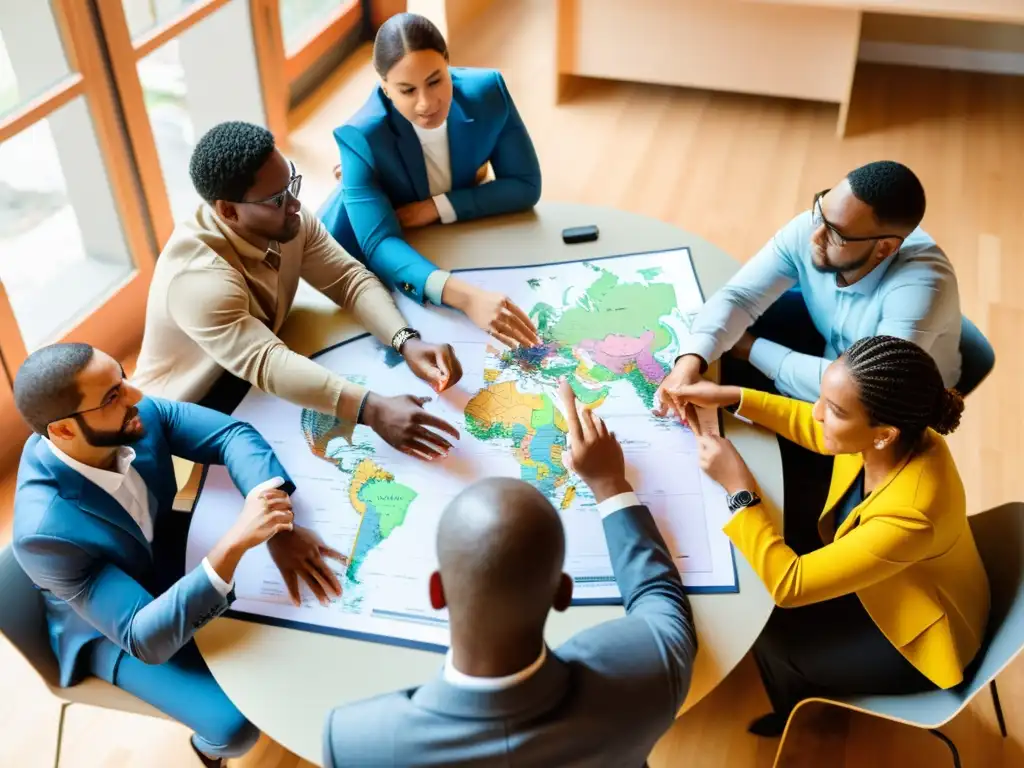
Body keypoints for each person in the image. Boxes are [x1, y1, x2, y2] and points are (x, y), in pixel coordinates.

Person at [322, 380, 698, 767]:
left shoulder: (355, 743)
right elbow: (659, 599)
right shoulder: (650, 669)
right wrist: (609, 484)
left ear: (437, 591)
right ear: (562, 593)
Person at [11, 343, 343, 767]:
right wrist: (236, 542)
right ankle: (207, 754)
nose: (136, 395)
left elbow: (231, 434)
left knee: (301, 628)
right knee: (233, 727)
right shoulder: (44, 533)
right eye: (112, 395)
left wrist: (273, 517)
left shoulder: (132, 414)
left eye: (122, 377)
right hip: (109, 631)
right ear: (63, 431)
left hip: (167, 556)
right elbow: (142, 638)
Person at [670, 336, 990, 737]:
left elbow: (789, 586)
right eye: (824, 398)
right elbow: (814, 424)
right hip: (889, 575)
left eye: (835, 410)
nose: (818, 412)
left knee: (768, 623)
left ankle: (795, 706)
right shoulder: (899, 433)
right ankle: (790, 688)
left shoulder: (912, 512)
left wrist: (739, 489)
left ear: (883, 434)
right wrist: (733, 396)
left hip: (910, 637)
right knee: (769, 554)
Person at [132, 120, 462, 461]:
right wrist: (372, 408)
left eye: (291, 184)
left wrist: (405, 339)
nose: (294, 205)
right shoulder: (198, 281)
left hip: (257, 376)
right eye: (276, 199)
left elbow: (348, 279)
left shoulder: (288, 218)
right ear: (228, 211)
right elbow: (268, 362)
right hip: (187, 413)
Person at [657, 160, 962, 527]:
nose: (814, 234)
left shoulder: (920, 290)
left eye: (835, 233)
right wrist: (688, 362)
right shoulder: (818, 224)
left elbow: (862, 392)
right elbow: (738, 297)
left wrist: (750, 348)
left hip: (877, 408)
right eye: (820, 208)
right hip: (831, 359)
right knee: (709, 348)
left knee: (790, 508)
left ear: (884, 248)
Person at [319, 12, 542, 350]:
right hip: (359, 265)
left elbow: (525, 184)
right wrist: (467, 299)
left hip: (443, 234)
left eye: (436, 80)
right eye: (407, 90)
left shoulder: (489, 93)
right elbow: (378, 244)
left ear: (449, 65)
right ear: (385, 88)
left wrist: (434, 208)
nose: (427, 103)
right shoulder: (359, 136)